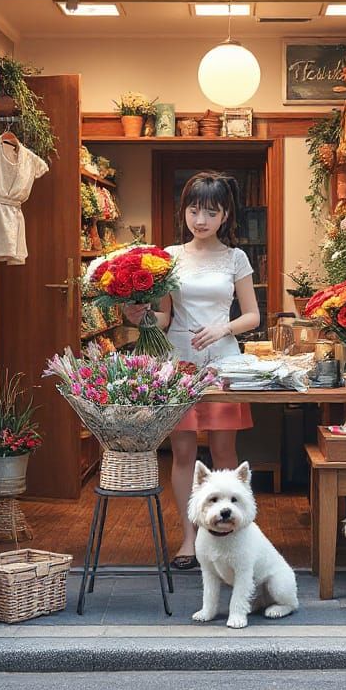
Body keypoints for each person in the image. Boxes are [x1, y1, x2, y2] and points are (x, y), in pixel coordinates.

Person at [124, 171, 260, 569]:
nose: (200, 219)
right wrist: (140, 315)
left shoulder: (236, 258)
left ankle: (226, 537)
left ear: (225, 215)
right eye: (194, 209)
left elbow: (252, 315)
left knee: (223, 452)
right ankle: (189, 539)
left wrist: (223, 326)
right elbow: (165, 318)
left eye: (210, 211)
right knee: (182, 454)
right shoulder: (169, 257)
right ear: (184, 210)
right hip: (178, 360)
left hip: (222, 359)